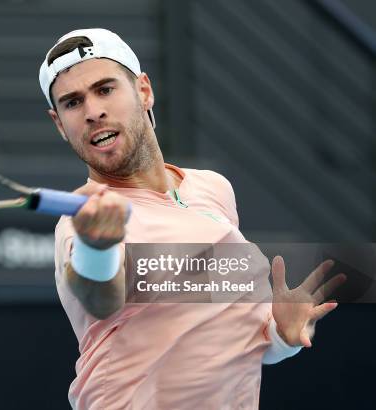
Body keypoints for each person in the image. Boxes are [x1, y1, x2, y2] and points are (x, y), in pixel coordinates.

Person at [40, 28, 345, 409]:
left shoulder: (212, 188)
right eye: (72, 103)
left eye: (105, 89)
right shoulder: (83, 223)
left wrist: (279, 336)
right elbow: (100, 298)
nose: (92, 112)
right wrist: (97, 246)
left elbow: (227, 340)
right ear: (59, 124)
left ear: (144, 91)